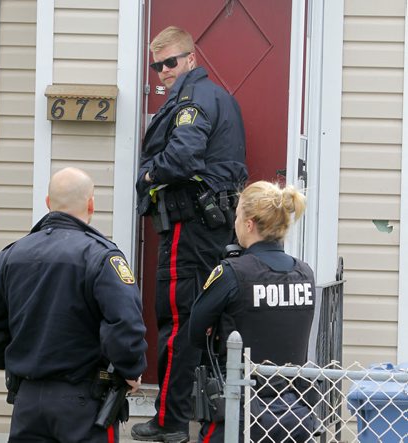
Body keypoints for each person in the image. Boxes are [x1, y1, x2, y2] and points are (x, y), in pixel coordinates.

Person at [0, 167, 148, 443]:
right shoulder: (101, 256)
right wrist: (130, 369)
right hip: (84, 402)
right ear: (91, 204)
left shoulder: (11, 256)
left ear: (48, 203)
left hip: (27, 401)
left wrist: (21, 360)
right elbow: (125, 323)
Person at [132, 26, 247, 443]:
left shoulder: (192, 99)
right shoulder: (217, 98)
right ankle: (212, 423)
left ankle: (170, 422)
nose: (163, 71)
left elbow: (182, 156)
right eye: (157, 65)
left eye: (171, 62)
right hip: (214, 227)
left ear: (191, 60)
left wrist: (149, 172)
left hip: (190, 225)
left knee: (177, 321)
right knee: (208, 320)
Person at [189, 181, 316, 442]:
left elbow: (195, 333)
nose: (234, 224)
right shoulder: (305, 274)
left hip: (240, 412)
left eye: (237, 217)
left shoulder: (231, 273)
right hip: (295, 411)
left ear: (249, 224)